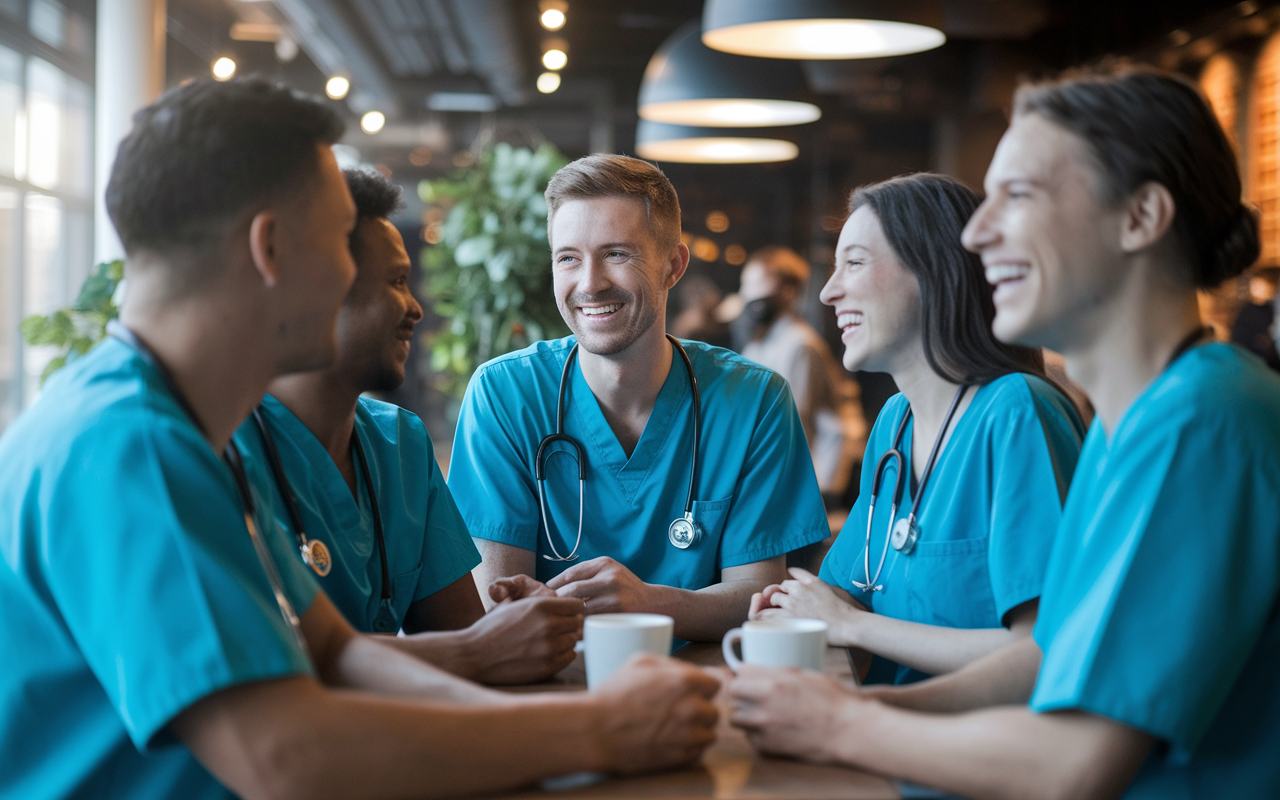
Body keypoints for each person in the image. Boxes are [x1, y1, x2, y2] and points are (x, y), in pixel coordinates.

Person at [0, 78, 720, 800]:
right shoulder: (131, 447)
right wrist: (600, 731)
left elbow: (335, 651)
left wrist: (566, 714)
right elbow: (285, 757)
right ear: (271, 246)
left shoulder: (179, 427)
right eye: (337, 238)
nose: (360, 274)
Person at [729, 66, 1280, 799]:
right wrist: (845, 709)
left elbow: (1072, 763)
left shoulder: (1200, 418)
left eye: (1017, 197)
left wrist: (840, 725)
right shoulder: (1142, 421)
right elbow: (1048, 659)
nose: (978, 234)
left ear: (1140, 218)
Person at [448, 154, 830, 643]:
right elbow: (495, 603)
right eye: (568, 257)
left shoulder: (753, 400)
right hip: (551, 691)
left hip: (709, 691)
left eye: (617, 254)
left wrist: (648, 604)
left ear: (673, 266)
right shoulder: (505, 395)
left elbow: (758, 595)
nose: (589, 284)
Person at [231, 167, 581, 685]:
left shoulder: (400, 443)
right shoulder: (227, 450)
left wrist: (516, 629)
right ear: (320, 289)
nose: (416, 308)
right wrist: (479, 651)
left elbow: (463, 633)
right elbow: (267, 671)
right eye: (396, 282)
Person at [750, 174, 1085, 693]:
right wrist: (794, 607)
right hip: (878, 741)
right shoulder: (894, 422)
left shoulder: (1017, 411)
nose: (828, 290)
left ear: (934, 271)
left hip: (970, 756)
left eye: (854, 263)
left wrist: (851, 625)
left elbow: (1047, 653)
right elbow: (848, 593)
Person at [737, 246, 867, 500]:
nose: (747, 295)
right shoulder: (758, 343)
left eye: (757, 283)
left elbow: (793, 422)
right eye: (745, 284)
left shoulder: (800, 345)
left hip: (804, 483)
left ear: (787, 292)